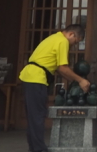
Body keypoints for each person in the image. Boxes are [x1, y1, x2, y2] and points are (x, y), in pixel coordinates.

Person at [19, 24, 90, 152]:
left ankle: (34, 148)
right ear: (71, 34)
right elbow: (63, 67)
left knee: (33, 116)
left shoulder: (54, 38)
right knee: (38, 116)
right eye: (75, 41)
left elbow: (58, 68)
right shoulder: (62, 41)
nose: (73, 45)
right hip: (37, 78)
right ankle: (39, 149)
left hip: (30, 76)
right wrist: (81, 80)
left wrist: (73, 80)